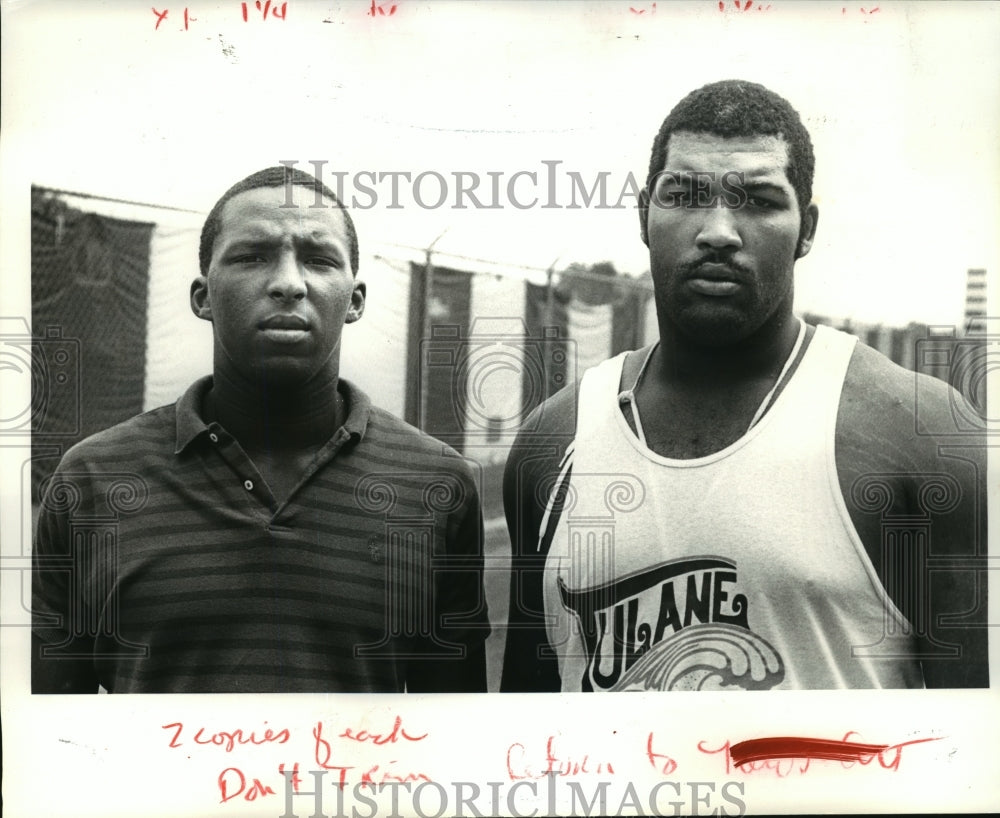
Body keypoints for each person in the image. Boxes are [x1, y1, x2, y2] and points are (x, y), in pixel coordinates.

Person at [501, 80, 988, 692]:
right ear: (644, 216)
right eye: (684, 196)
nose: (719, 232)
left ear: (805, 228)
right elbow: (523, 722)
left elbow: (976, 750)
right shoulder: (554, 439)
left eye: (758, 200)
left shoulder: (918, 433)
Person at [32, 166, 489, 693]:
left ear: (355, 300)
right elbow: (51, 738)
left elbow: (455, 735)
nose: (289, 283)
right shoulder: (92, 481)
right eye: (251, 256)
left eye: (318, 260)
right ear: (203, 296)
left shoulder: (438, 485)